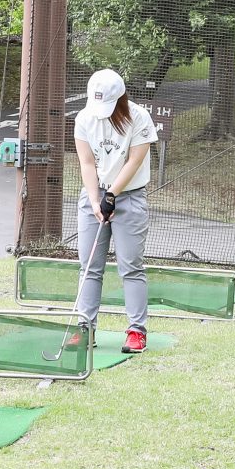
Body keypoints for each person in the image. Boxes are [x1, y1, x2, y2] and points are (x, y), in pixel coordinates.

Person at [73, 68, 157, 354]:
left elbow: (135, 160)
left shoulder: (139, 117)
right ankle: (85, 328)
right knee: (88, 266)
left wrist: (112, 195)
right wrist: (95, 200)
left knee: (131, 266)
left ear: (121, 98)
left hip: (129, 197)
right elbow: (86, 163)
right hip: (93, 196)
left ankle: (136, 331)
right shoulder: (84, 118)